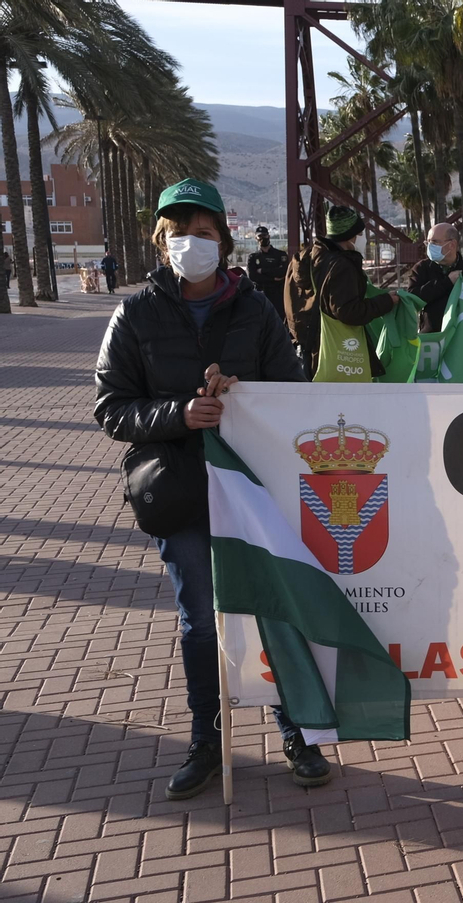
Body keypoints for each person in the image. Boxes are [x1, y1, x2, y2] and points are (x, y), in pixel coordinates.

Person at [93, 178, 328, 800]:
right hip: (180, 489)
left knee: (273, 608)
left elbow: (292, 391)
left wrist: (241, 394)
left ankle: (295, 728)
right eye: (179, 233)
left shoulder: (254, 310)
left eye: (202, 233)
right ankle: (206, 737)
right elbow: (111, 406)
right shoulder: (136, 312)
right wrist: (178, 415)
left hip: (252, 488)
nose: (190, 244)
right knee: (201, 621)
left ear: (224, 239)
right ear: (161, 240)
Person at [283, 205, 398, 379]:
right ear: (349, 236)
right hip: (337, 349)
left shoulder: (305, 258)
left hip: (309, 346)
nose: (362, 239)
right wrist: (386, 302)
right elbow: (348, 311)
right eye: (360, 234)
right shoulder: (341, 265)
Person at [409, 222, 463, 370]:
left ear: (452, 245)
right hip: (431, 345)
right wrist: (446, 283)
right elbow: (413, 299)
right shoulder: (422, 269)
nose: (429, 246)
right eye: (428, 242)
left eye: (435, 242)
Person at [247, 226, 290, 323]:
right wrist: (273, 279)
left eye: (265, 236)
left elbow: (283, 272)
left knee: (279, 321)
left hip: (278, 295)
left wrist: (263, 271)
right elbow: (253, 276)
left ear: (269, 236)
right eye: (260, 236)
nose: (263, 238)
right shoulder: (253, 257)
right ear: (256, 238)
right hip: (261, 293)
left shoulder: (280, 255)